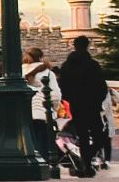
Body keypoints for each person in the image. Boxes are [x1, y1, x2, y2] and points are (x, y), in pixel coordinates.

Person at [59, 36, 108, 177]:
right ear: (87, 45)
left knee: (83, 137)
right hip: (92, 106)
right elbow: (102, 87)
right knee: (99, 138)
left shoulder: (66, 66)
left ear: (74, 46)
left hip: (77, 106)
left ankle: (85, 164)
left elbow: (63, 87)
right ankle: (86, 163)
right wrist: (97, 100)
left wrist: (72, 99)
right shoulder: (93, 65)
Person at [24, 47, 62, 165]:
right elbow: (55, 95)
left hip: (25, 113)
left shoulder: (20, 71)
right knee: (43, 141)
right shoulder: (47, 72)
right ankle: (43, 165)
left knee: (28, 141)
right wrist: (54, 109)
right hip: (42, 112)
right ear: (41, 57)